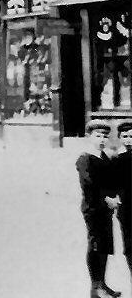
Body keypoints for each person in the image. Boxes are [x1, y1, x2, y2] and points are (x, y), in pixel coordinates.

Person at [76, 119, 122, 298]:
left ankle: (102, 283)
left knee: (104, 246)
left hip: (105, 209)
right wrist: (107, 199)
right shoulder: (85, 158)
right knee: (95, 246)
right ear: (89, 137)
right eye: (97, 135)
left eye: (105, 136)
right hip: (94, 208)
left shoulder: (103, 157)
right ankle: (95, 286)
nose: (102, 139)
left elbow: (110, 180)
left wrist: (115, 195)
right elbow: (90, 185)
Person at [113, 121, 132, 286]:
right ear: (119, 138)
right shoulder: (117, 159)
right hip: (126, 209)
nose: (128, 140)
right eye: (124, 136)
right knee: (129, 246)